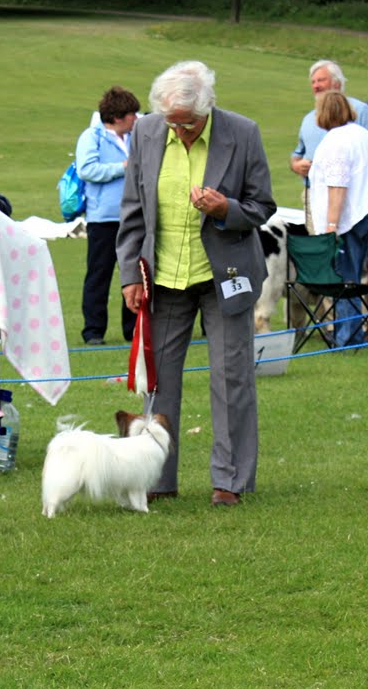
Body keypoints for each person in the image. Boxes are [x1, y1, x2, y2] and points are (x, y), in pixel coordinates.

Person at [116, 60, 276, 507]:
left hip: (224, 276)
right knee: (159, 383)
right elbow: (132, 213)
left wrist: (226, 209)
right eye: (173, 122)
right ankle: (155, 478)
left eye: (188, 123)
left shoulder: (242, 133)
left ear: (208, 110)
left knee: (232, 378)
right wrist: (131, 274)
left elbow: (263, 205)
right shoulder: (146, 133)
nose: (180, 130)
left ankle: (230, 481)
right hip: (163, 278)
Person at [307, 90, 368, 348]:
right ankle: (351, 332)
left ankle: (347, 337)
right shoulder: (363, 135)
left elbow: (337, 184)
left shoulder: (335, 141)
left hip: (350, 218)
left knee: (344, 277)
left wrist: (332, 226)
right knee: (353, 275)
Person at [74, 86, 139, 345]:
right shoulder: (92, 137)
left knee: (133, 273)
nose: (136, 118)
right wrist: (123, 167)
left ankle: (133, 329)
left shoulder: (136, 137)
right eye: (131, 113)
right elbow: (87, 170)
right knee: (99, 274)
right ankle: (93, 330)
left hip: (133, 216)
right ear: (117, 116)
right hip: (103, 218)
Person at [287, 59, 368, 231]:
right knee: (320, 249)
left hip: (351, 197)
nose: (316, 86)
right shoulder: (309, 118)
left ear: (337, 83)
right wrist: (296, 165)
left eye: (321, 80)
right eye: (313, 82)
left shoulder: (360, 111)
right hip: (314, 194)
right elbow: (298, 153)